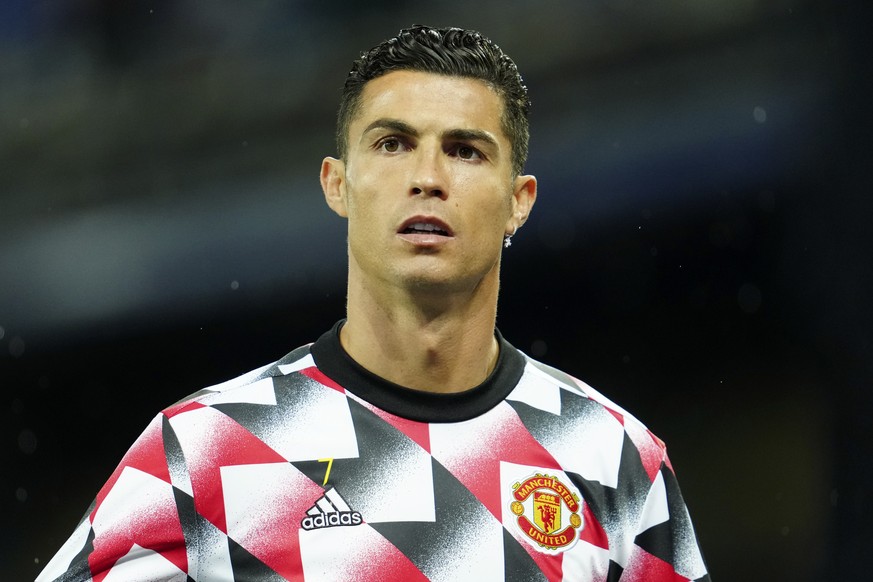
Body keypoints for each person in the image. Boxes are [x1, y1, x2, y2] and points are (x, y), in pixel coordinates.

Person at [37, 25, 710, 581]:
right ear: (338, 185)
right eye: (392, 144)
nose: (427, 178)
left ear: (518, 201)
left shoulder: (610, 455)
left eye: (465, 150)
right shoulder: (204, 449)